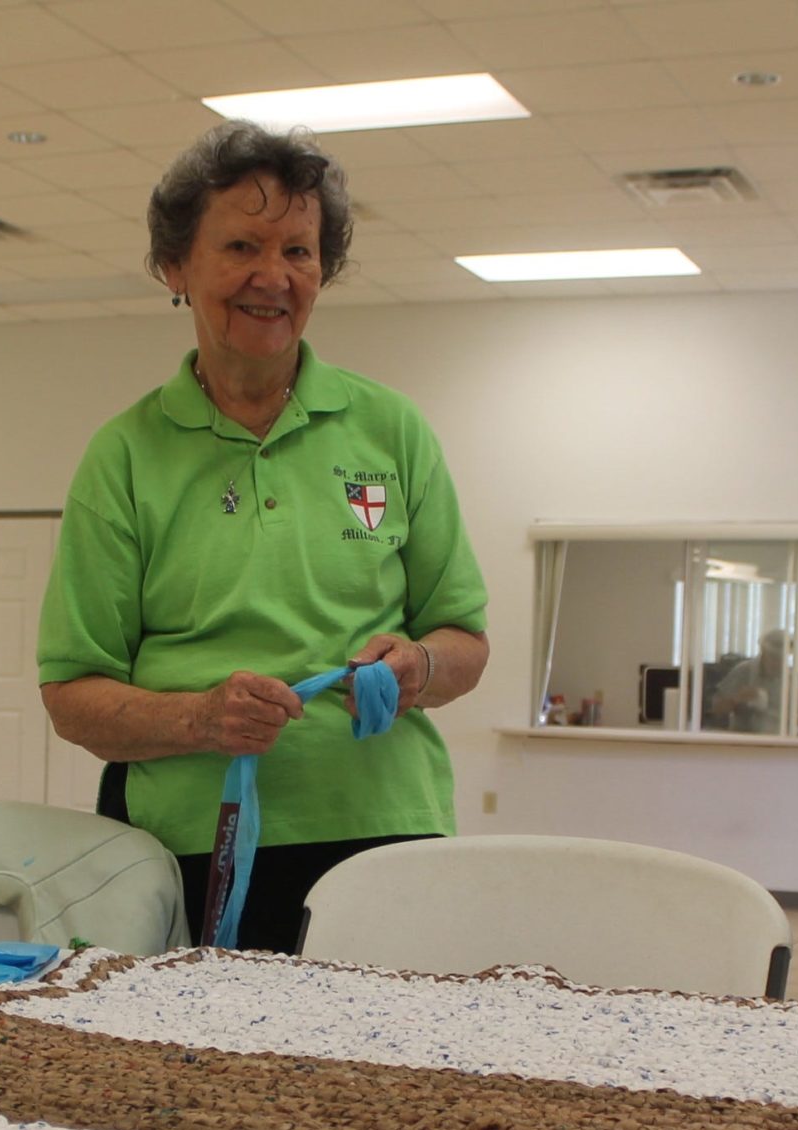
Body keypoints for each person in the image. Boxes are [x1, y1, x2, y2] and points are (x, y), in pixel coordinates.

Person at [37, 122, 490, 952]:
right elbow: (73, 695)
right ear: (176, 267)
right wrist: (201, 722)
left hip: (384, 828)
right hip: (188, 844)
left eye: (301, 252)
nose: (273, 277)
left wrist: (419, 665)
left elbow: (464, 637)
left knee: (379, 1074)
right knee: (193, 1075)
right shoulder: (126, 454)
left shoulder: (391, 429)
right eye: (242, 245)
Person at [707, 629, 798, 734]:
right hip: (745, 741)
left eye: (782, 657)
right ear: (763, 652)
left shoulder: (793, 676)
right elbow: (716, 708)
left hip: (782, 742)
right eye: (773, 656)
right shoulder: (744, 671)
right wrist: (737, 699)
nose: (777, 662)